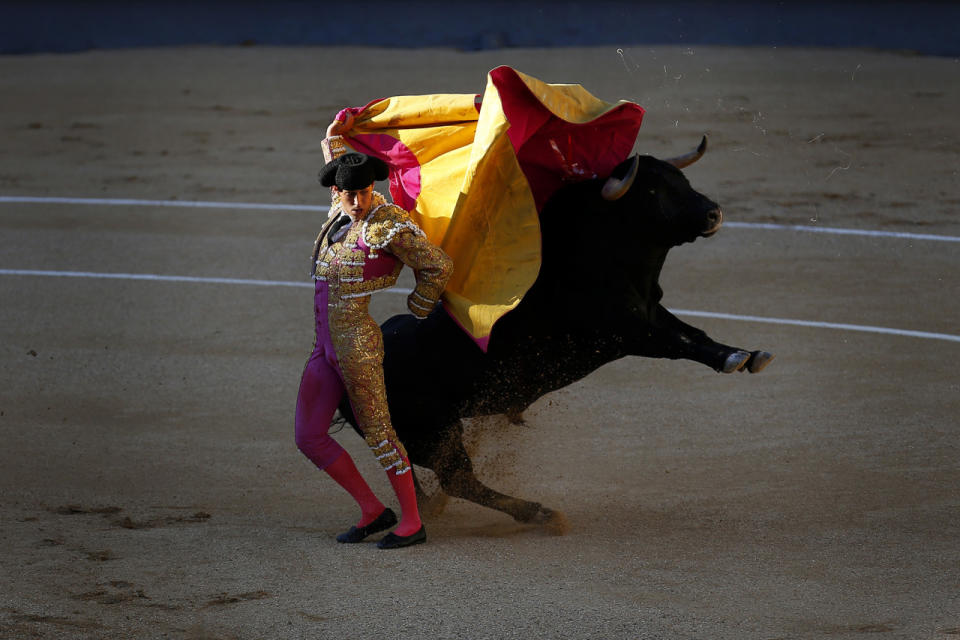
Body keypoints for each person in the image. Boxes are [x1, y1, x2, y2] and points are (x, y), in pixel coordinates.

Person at [294, 114, 453, 549]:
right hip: (324, 347)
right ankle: (371, 510)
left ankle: (412, 522)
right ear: (337, 194)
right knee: (308, 435)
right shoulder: (337, 214)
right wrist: (331, 136)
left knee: (381, 435)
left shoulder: (386, 224)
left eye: (365, 192)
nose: (360, 201)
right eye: (352, 194)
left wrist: (419, 305)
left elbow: (437, 264)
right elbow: (339, 159)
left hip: (359, 347)